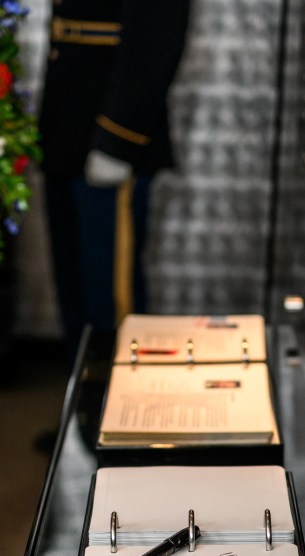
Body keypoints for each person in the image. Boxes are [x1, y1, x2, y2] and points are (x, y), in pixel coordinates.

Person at [38, 0, 191, 362]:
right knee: (72, 283)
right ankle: (84, 408)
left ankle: (115, 409)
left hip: (108, 128)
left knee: (109, 296)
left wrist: (119, 138)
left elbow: (157, 33)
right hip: (68, 127)